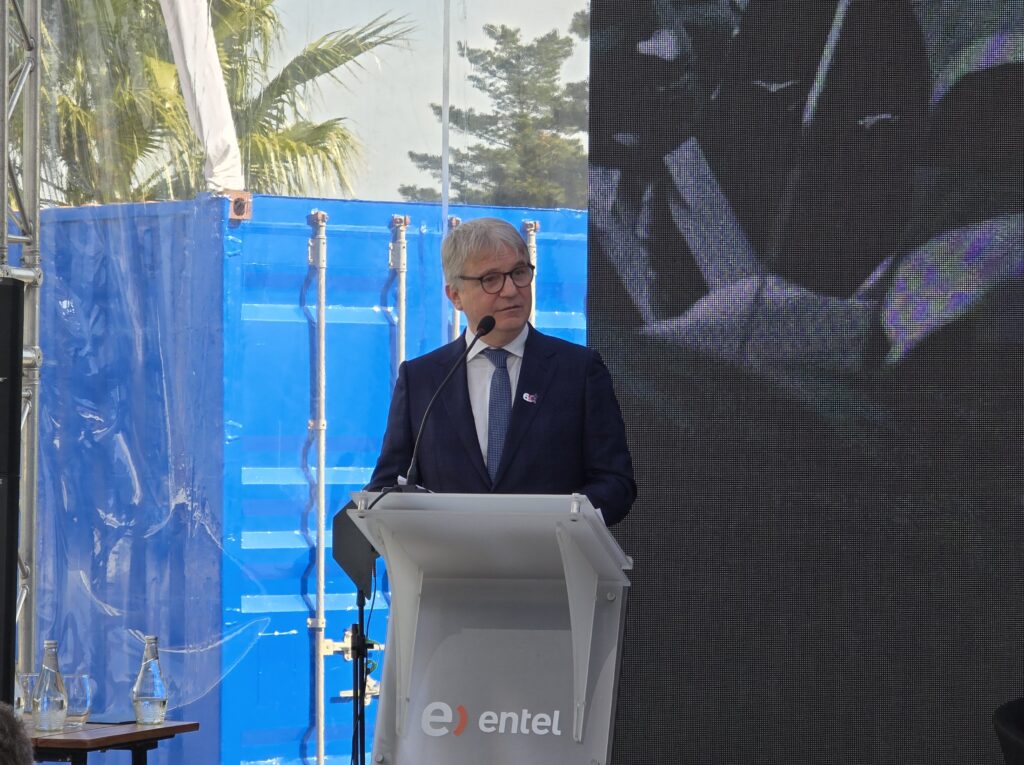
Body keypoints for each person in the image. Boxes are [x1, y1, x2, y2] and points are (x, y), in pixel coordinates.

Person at [365, 216, 636, 525]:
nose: (511, 290)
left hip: (550, 564)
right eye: (491, 279)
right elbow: (387, 486)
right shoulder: (422, 380)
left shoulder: (578, 370)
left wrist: (564, 521)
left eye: (519, 273)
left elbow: (615, 484)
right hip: (451, 568)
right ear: (455, 295)